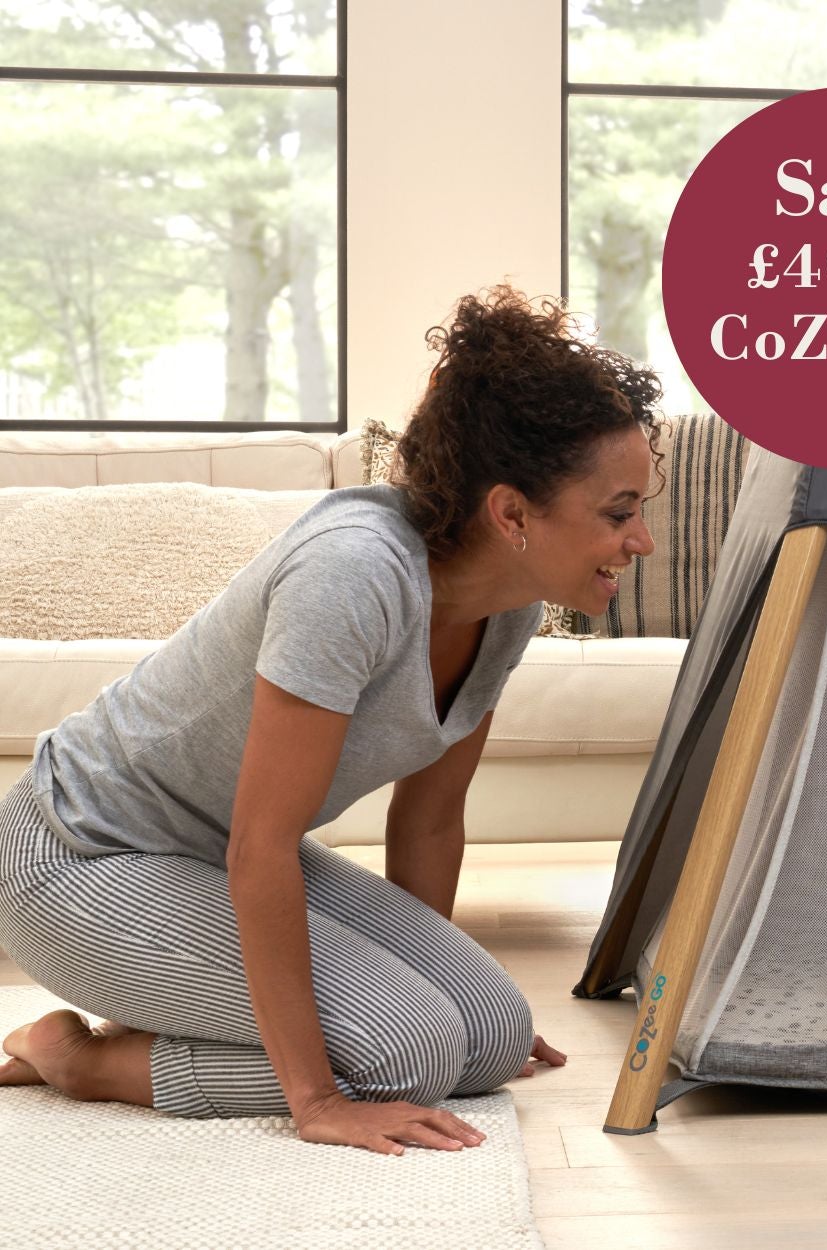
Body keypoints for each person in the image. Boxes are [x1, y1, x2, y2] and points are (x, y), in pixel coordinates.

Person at [0, 285, 661, 1156]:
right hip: (80, 853)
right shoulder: (351, 575)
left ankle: (407, 1036)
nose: (641, 539)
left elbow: (429, 818)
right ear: (511, 514)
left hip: (211, 850)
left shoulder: (508, 607)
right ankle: (84, 1063)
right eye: (620, 512)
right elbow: (260, 846)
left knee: (488, 1036)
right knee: (410, 1054)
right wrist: (320, 1097)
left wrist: (432, 995)